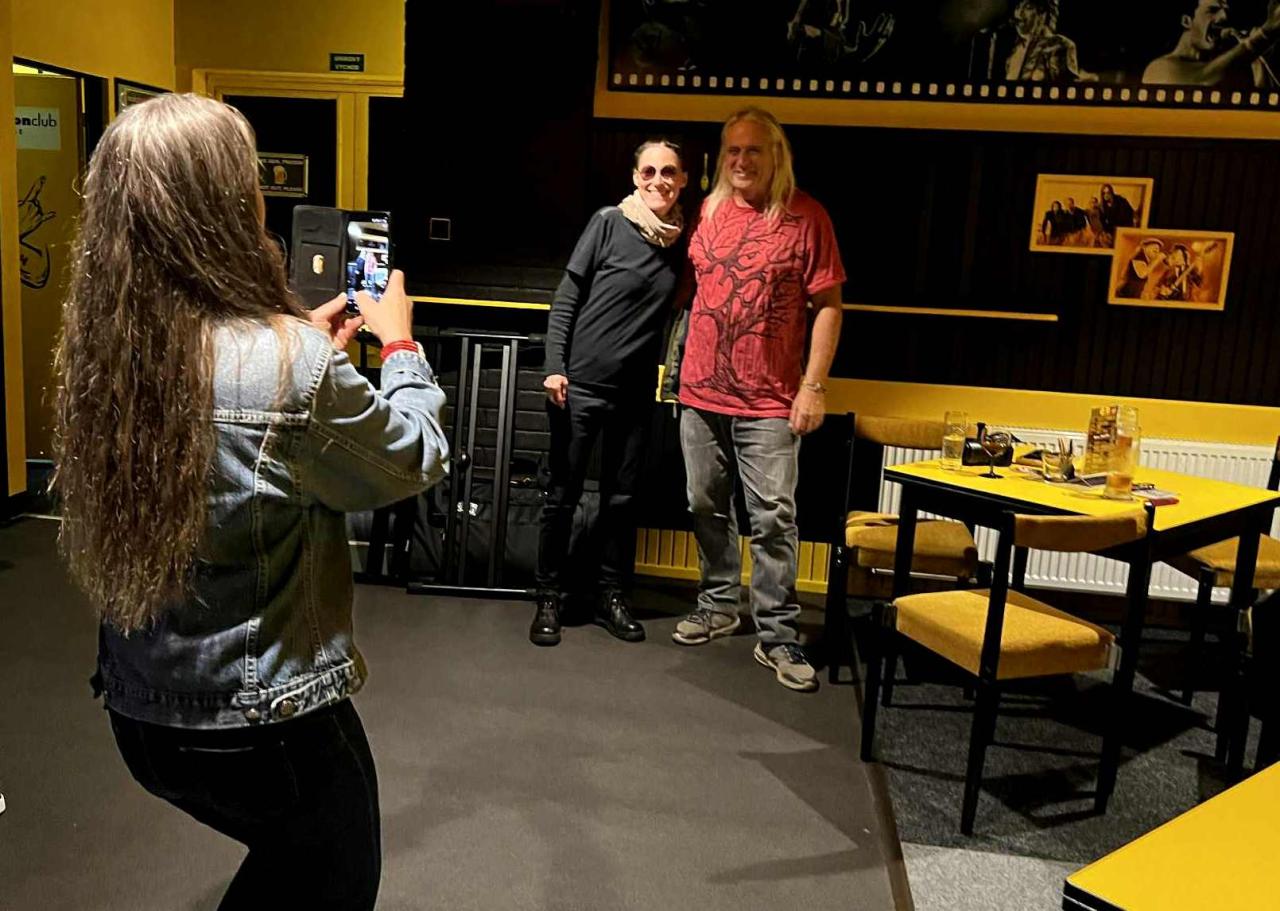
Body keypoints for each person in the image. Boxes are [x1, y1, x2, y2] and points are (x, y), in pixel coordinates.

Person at [52, 94, 449, 910]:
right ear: (222, 207)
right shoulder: (288, 365)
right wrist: (401, 344)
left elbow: (224, 396)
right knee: (332, 879)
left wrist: (296, 346)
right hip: (263, 723)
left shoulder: (106, 350)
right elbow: (414, 459)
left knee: (285, 869)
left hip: (141, 715)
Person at [672, 107, 845, 693]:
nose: (741, 160)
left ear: (776, 156)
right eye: (733, 150)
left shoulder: (806, 217)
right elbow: (690, 292)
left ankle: (777, 633)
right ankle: (718, 603)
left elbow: (829, 307)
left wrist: (812, 387)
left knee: (773, 516)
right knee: (703, 502)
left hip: (770, 400)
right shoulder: (708, 211)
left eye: (753, 150)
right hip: (700, 391)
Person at [531, 139, 690, 647]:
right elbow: (567, 297)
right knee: (563, 495)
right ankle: (549, 597)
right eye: (650, 171)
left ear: (683, 180)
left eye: (669, 172)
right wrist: (554, 367)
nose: (659, 180)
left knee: (621, 500)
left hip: (635, 393)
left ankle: (611, 595)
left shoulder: (683, 243)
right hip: (579, 386)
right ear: (636, 177)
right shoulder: (608, 222)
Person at [1143, 0, 1280, 87]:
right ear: (1186, 21)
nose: (1224, 17)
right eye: (1213, 10)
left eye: (1226, 11)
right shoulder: (1157, 69)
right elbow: (1203, 79)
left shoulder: (1231, 69)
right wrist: (1262, 36)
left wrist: (1258, 62)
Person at [969, 0, 1097, 82]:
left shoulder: (1059, 45)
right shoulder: (1014, 49)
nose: (1019, 14)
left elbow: (1065, 93)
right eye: (1018, 6)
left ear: (1043, 13)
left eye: (1028, 7)